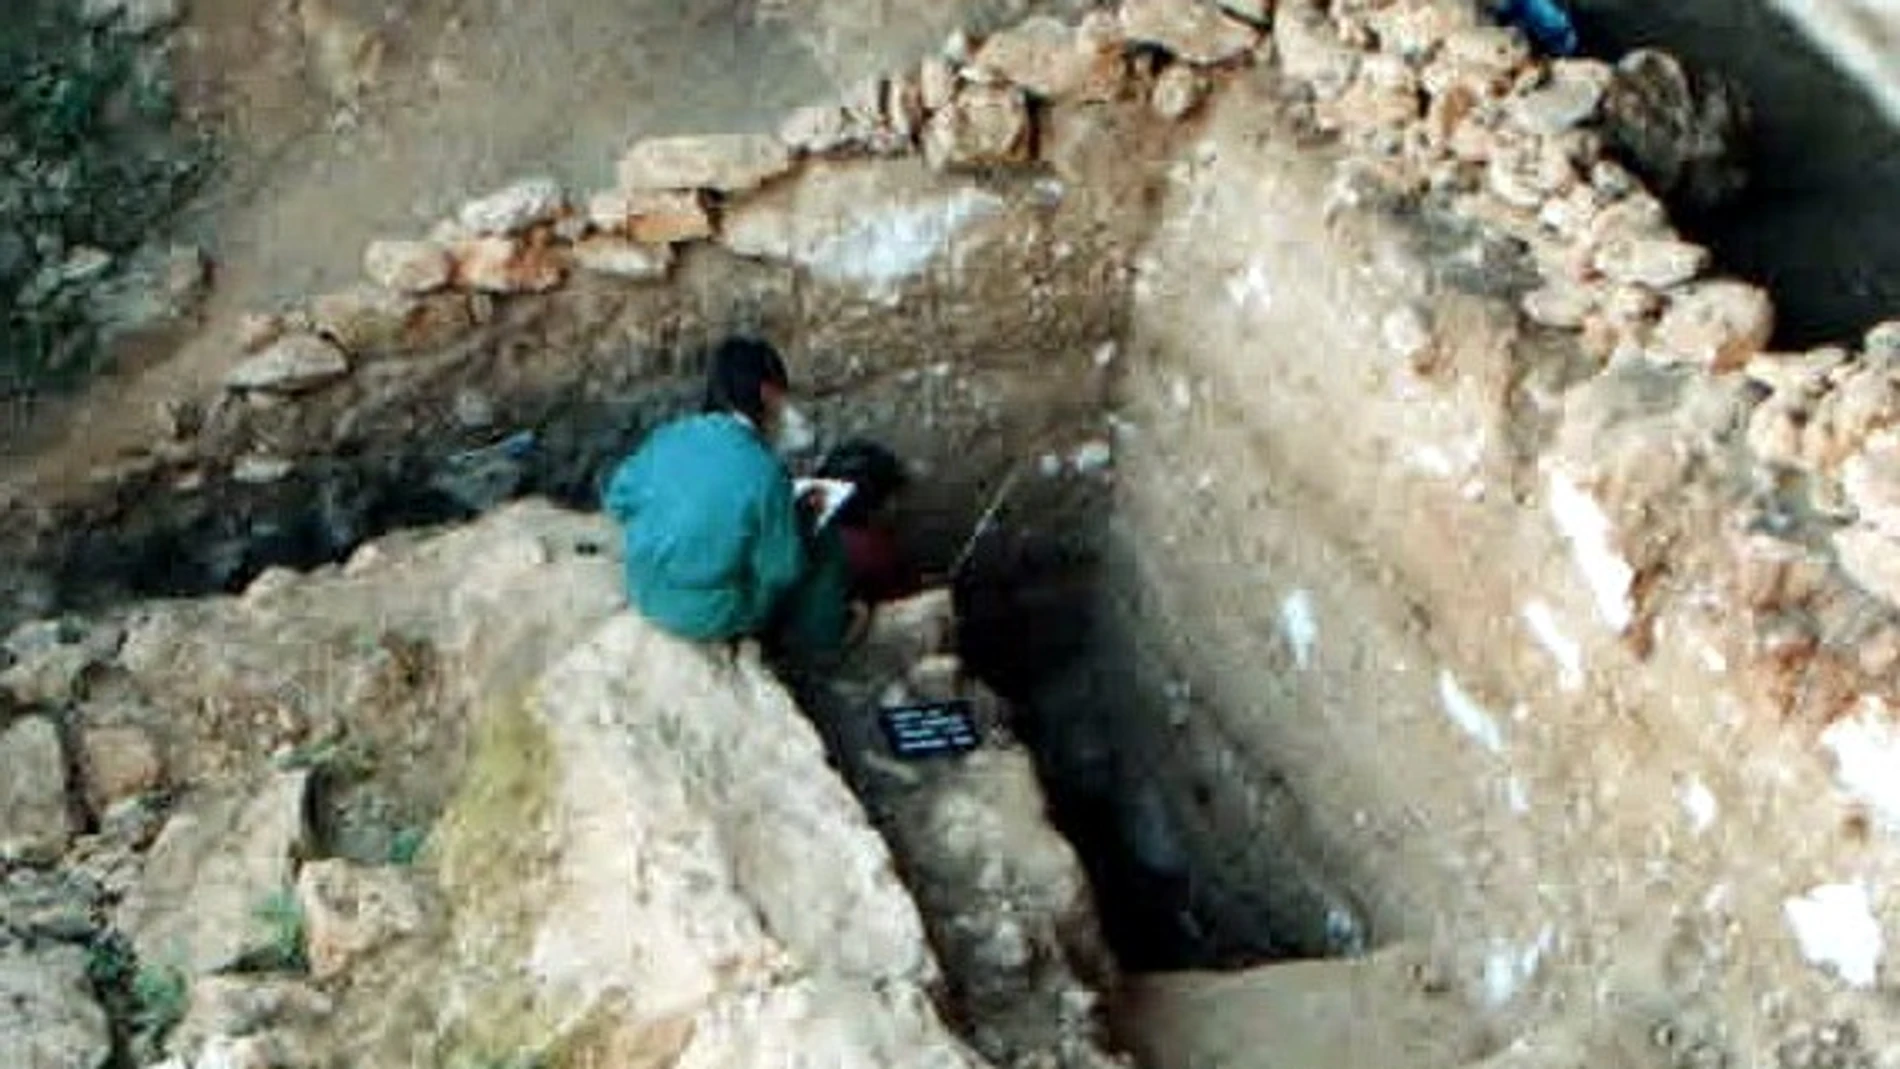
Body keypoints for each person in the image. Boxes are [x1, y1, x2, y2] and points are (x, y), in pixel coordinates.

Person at [601, 337, 808, 644]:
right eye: (782, 396)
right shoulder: (766, 472)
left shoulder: (672, 434)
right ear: (767, 393)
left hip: (642, 583)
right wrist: (799, 524)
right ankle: (803, 647)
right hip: (702, 612)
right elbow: (780, 571)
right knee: (806, 562)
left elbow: (617, 500)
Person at [772, 438, 920, 664]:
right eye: (892, 498)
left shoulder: (801, 522)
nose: (897, 506)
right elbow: (905, 595)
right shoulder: (872, 548)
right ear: (873, 504)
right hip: (826, 643)